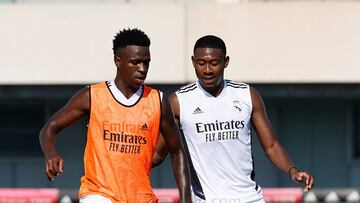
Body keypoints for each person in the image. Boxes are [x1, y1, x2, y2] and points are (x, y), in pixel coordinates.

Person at [152, 35, 314, 203]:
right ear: (193, 62)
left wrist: (292, 171)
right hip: (206, 199)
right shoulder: (179, 101)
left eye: (214, 63)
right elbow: (158, 154)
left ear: (226, 61)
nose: (207, 70)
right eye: (201, 63)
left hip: (249, 198)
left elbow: (271, 145)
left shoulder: (247, 95)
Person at [39, 28, 191, 203]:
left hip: (141, 197)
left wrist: (187, 199)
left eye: (146, 63)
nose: (142, 69)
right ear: (118, 61)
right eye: (136, 62)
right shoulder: (92, 96)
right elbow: (49, 128)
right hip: (98, 195)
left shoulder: (158, 101)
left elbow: (177, 151)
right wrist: (51, 153)